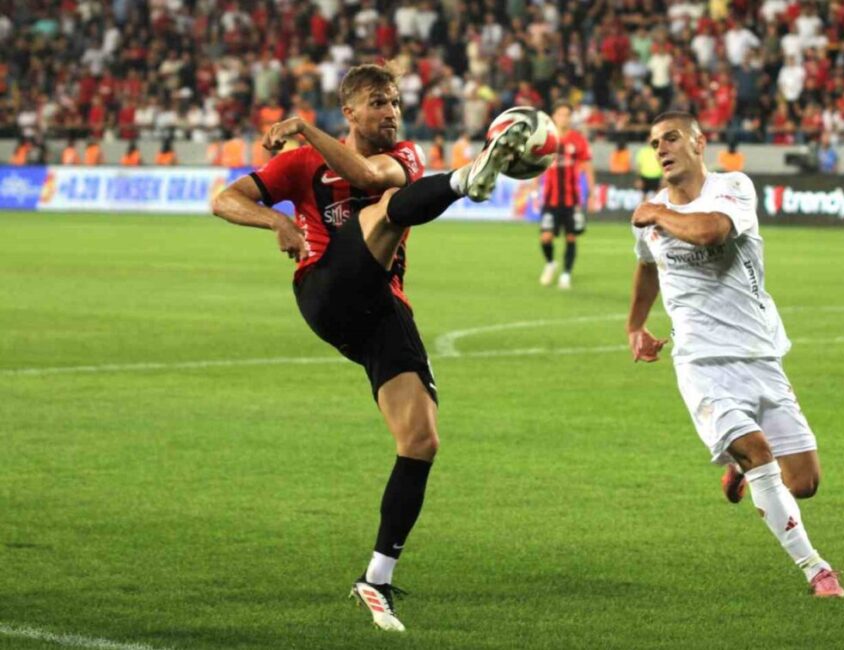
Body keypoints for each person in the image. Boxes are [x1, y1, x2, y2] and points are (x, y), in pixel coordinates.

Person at [211, 62, 532, 632]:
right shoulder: (299, 164)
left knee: (421, 439)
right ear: (351, 112)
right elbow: (224, 198)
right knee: (381, 211)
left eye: (395, 103)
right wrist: (274, 223)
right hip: (325, 290)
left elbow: (363, 170)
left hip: (381, 308)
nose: (391, 112)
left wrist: (305, 127)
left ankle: (376, 578)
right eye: (378, 103)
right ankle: (466, 182)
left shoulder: (403, 155)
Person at [626, 112, 844, 599]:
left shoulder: (733, 188)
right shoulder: (650, 214)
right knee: (759, 450)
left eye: (673, 138)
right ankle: (816, 569)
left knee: (804, 482)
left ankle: (741, 467)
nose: (662, 149)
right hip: (702, 363)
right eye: (656, 142)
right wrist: (636, 325)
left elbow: (713, 232)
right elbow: (647, 268)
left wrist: (657, 214)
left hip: (760, 354)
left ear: (699, 143)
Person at [538, 101, 594, 289]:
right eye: (560, 114)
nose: (564, 118)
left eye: (567, 115)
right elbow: (538, 166)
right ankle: (551, 263)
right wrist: (532, 188)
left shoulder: (578, 140)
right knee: (546, 237)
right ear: (553, 116)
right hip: (549, 198)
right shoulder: (546, 139)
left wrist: (592, 193)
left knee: (571, 237)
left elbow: (587, 166)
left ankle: (566, 274)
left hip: (571, 199)